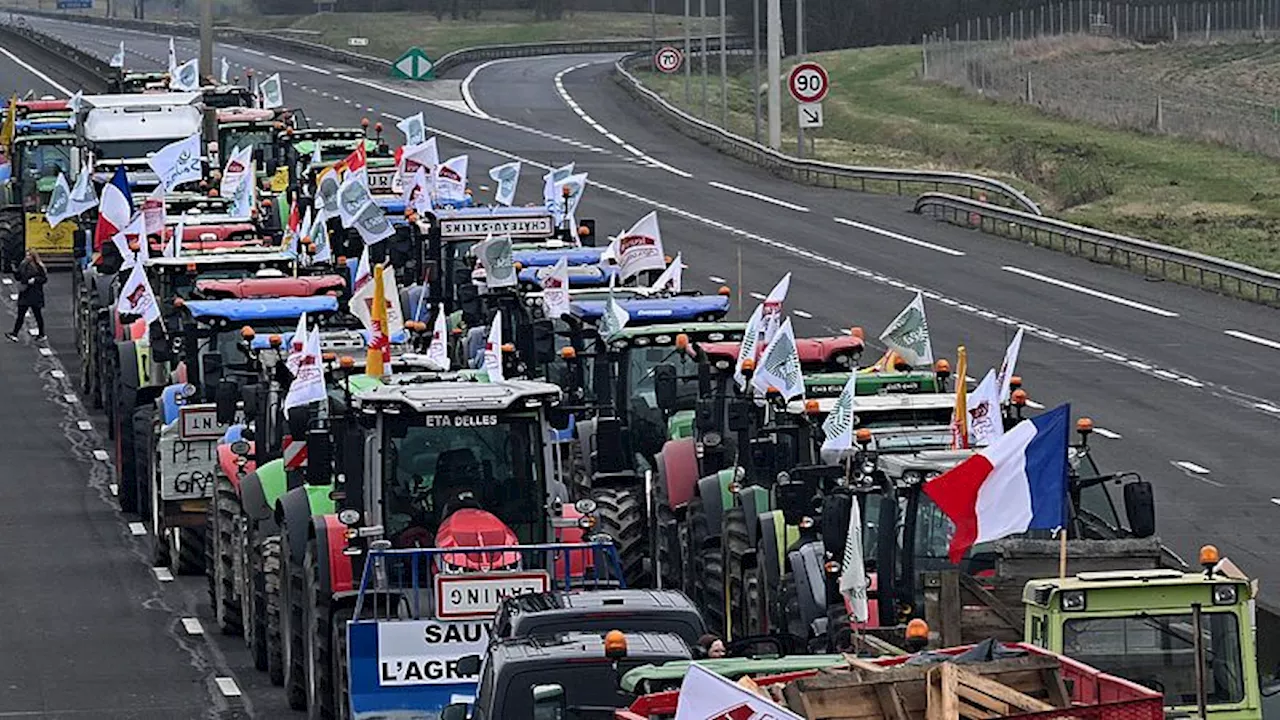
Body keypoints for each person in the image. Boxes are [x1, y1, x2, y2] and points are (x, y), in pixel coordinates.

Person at [7, 250, 47, 342]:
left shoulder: (39, 267)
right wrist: (14, 270)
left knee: (37, 315)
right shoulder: (23, 265)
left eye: (29, 255)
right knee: (20, 315)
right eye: (26, 255)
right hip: (25, 293)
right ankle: (14, 333)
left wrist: (35, 280)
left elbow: (44, 279)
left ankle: (41, 334)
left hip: (35, 293)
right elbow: (19, 277)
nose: (27, 257)